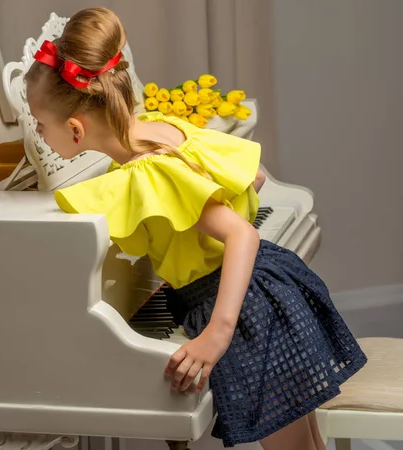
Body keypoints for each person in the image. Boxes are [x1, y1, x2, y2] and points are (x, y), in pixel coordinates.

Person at [25, 7, 367, 449]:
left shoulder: (147, 173)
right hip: (270, 286)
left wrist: (215, 336)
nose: (36, 132)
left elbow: (242, 235)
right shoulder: (166, 130)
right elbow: (255, 177)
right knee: (306, 443)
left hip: (245, 312)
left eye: (38, 124)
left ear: (75, 129)